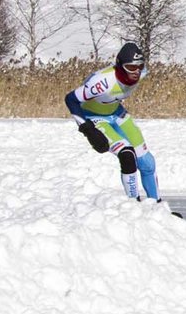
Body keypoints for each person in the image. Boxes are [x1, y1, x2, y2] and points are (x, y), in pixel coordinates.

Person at [66, 42, 165, 205]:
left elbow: (137, 70)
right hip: (94, 117)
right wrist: (88, 130)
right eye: (131, 68)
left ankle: (157, 206)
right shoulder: (102, 83)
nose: (136, 72)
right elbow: (70, 99)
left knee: (147, 162)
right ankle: (133, 206)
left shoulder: (142, 72)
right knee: (127, 155)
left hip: (116, 113)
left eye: (139, 66)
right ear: (119, 66)